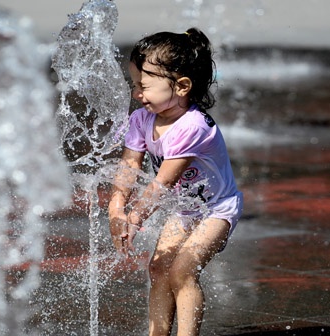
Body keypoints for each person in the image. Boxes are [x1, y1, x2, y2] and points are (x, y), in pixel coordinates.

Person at [108, 28, 243, 336]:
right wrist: (115, 206)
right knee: (158, 269)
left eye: (143, 86)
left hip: (217, 210)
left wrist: (135, 217)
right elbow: (129, 163)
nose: (136, 93)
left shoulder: (193, 127)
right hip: (186, 210)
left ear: (181, 87)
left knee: (182, 271)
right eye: (134, 85)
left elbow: (163, 183)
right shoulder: (142, 119)